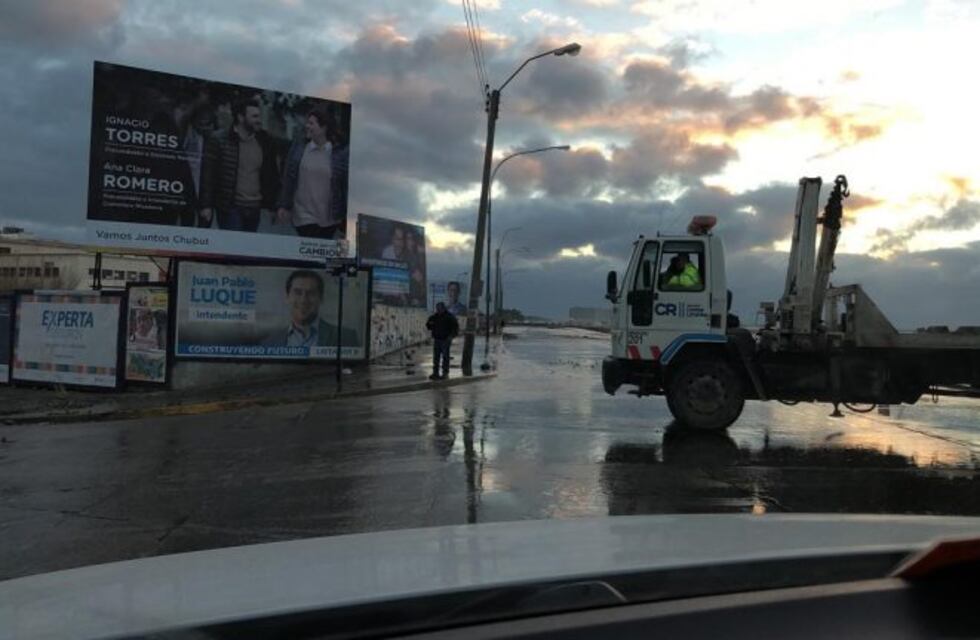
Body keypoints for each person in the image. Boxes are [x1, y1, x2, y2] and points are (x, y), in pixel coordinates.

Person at [199, 97, 281, 232]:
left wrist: (274, 206)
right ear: (241, 117)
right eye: (254, 116)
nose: (259, 120)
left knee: (246, 249)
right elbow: (207, 175)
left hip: (254, 208)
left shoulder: (265, 141)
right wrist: (205, 206)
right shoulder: (219, 140)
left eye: (259, 116)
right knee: (232, 248)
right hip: (230, 207)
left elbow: (272, 176)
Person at [276, 104, 349, 239]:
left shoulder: (339, 153)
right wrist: (284, 205)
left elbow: (344, 185)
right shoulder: (299, 148)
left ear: (324, 127)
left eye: (311, 123)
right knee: (308, 249)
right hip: (303, 215)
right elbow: (289, 178)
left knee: (319, 257)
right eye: (307, 123)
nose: (307, 126)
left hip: (329, 218)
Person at [262, 270, 358, 348]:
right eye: (298, 292)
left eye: (311, 293)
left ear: (321, 298)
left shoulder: (346, 337)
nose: (303, 300)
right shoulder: (269, 342)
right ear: (287, 297)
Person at [426, 302, 459, 380]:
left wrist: (451, 336)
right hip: (437, 339)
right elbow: (428, 326)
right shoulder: (434, 317)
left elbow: (455, 328)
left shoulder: (449, 317)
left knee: (445, 357)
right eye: (437, 308)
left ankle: (445, 373)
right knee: (436, 357)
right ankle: (435, 373)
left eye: (439, 308)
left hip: (445, 339)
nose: (438, 310)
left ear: (443, 308)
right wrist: (430, 324)